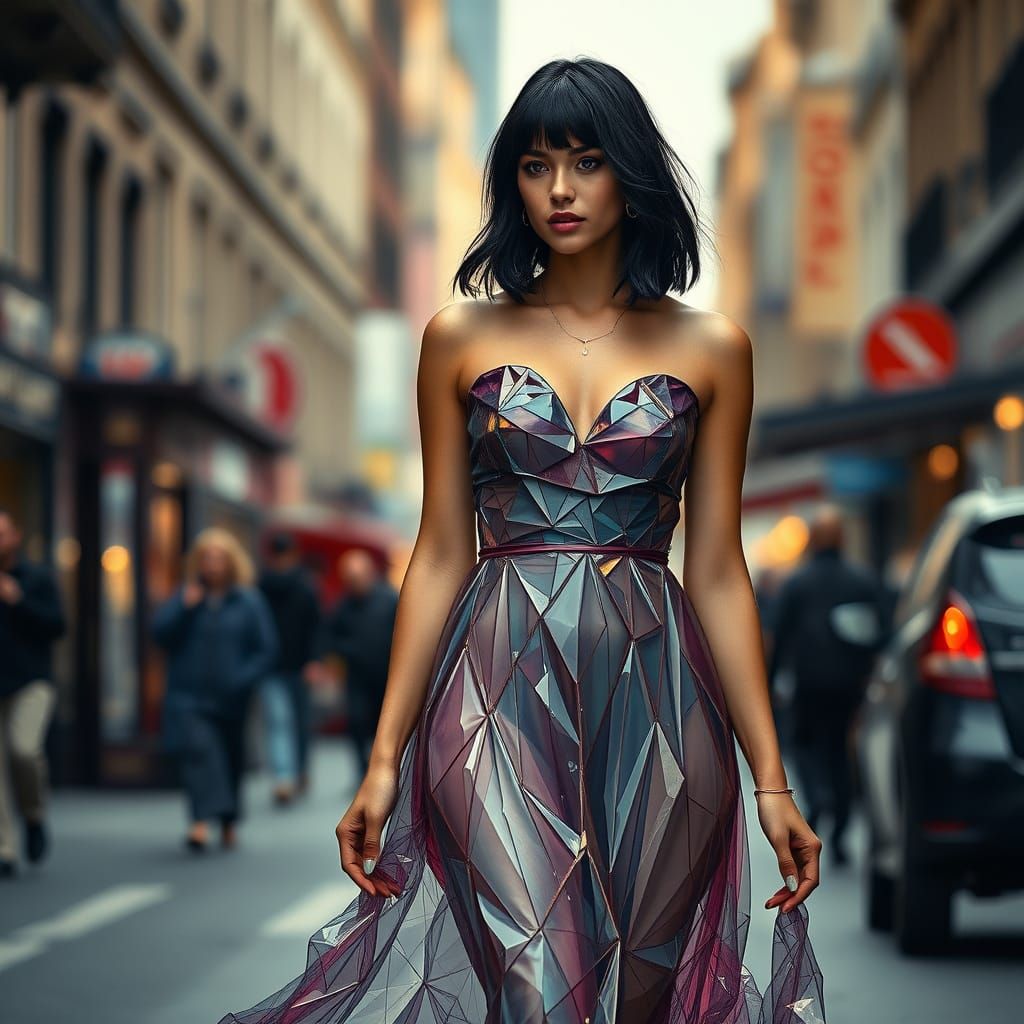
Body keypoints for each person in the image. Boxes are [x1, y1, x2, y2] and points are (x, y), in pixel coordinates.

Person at [216, 57, 826, 1024]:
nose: (561, 190)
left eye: (586, 161)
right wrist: (383, 759)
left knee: (641, 988)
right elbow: (439, 554)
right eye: (536, 166)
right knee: (537, 982)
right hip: (489, 688)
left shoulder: (714, 348)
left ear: (630, 172)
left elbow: (715, 569)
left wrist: (772, 779)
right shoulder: (457, 336)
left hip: (661, 695)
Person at [767, 504, 889, 866]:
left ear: (812, 541)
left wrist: (770, 681)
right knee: (840, 753)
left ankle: (818, 796)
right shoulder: (863, 580)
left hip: (808, 683)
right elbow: (881, 634)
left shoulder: (796, 583)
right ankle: (839, 832)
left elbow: (778, 636)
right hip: (849, 685)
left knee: (806, 747)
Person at [153, 527, 277, 853]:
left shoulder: (248, 601)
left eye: (219, 558)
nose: (211, 564)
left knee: (230, 757)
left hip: (231, 697)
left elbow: (266, 649)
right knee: (199, 753)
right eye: (205, 558)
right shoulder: (186, 596)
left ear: (232, 562)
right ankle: (199, 822)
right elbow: (159, 635)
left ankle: (228, 820)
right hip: (188, 696)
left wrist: (243, 678)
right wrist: (184, 607)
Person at [0, 508, 66, 879]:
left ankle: (34, 814)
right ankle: (4, 849)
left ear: (15, 537)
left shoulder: (37, 578)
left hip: (31, 682)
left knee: (23, 750)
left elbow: (57, 626)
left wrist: (17, 600)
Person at [319, 549, 398, 778]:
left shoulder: (389, 599)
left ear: (370, 574)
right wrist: (345, 651)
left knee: (382, 725)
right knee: (356, 721)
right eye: (349, 579)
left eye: (357, 577)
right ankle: (363, 774)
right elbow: (328, 636)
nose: (354, 583)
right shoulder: (343, 606)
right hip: (357, 677)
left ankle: (385, 772)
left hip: (386, 674)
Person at [257, 533, 321, 804]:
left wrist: (314, 661)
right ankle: (285, 777)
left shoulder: (304, 587)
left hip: (299, 666)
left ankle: (300, 771)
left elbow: (316, 626)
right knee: (279, 721)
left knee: (299, 723)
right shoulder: (262, 587)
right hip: (272, 666)